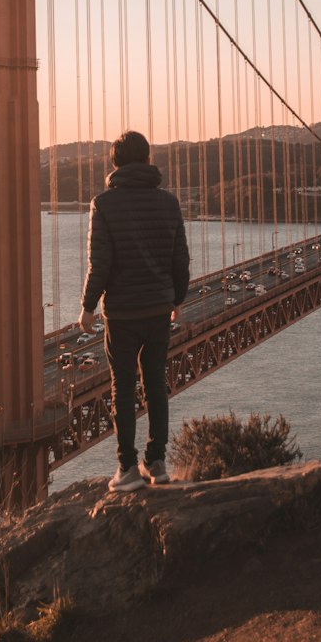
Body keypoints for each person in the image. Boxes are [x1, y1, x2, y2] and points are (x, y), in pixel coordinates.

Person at [78, 130, 190, 492]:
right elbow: (180, 258)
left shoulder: (103, 204)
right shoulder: (169, 202)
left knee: (122, 388)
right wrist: (177, 300)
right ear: (146, 159)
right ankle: (156, 462)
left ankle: (126, 469)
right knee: (156, 383)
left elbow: (101, 263)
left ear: (115, 164)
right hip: (158, 308)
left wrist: (88, 306)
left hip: (122, 313)